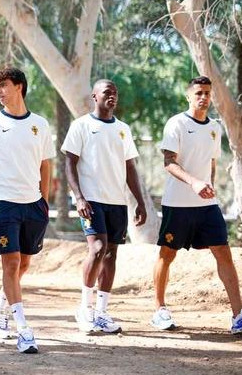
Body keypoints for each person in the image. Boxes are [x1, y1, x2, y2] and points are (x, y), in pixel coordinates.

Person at [151, 76, 242, 334]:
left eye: (207, 93)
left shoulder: (214, 127)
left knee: (224, 252)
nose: (204, 97)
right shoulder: (176, 123)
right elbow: (168, 162)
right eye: (199, 93)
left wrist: (208, 187)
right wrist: (194, 183)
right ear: (188, 96)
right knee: (167, 254)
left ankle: (238, 316)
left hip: (206, 206)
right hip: (177, 205)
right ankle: (159, 310)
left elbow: (211, 162)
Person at [0, 67, 55, 354]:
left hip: (34, 204)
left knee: (24, 264)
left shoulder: (40, 124)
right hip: (5, 205)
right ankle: (23, 329)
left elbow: (46, 164)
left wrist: (44, 201)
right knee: (10, 263)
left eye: (4, 85)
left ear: (19, 86)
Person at [61, 79, 147, 333]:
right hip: (91, 200)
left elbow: (130, 168)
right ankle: (84, 309)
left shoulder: (123, 129)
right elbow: (69, 163)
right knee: (97, 249)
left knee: (111, 254)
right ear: (94, 97)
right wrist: (78, 197)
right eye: (107, 92)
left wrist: (140, 202)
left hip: (116, 202)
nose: (112, 96)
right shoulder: (81, 126)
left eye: (115, 93)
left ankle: (101, 312)